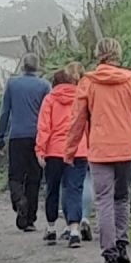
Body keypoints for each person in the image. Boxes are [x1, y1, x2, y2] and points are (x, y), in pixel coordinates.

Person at [65, 38, 131, 263]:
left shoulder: (88, 82)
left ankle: (109, 253)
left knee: (103, 200)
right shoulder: (130, 80)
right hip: (126, 148)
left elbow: (77, 120)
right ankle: (122, 245)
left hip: (100, 151)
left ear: (98, 54)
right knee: (122, 198)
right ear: (118, 54)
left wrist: (70, 151)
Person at [0, 54, 50, 231]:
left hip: (17, 136)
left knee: (15, 175)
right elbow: (49, 113)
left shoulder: (12, 84)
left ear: (22, 67)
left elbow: (4, 112)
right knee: (34, 178)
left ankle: (19, 200)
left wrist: (0, 137)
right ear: (38, 67)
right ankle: (30, 220)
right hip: (38, 137)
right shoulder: (44, 85)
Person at [35, 69, 89, 246]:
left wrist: (40, 150)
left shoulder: (50, 100)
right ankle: (74, 230)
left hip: (54, 151)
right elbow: (86, 124)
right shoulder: (80, 98)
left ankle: (51, 228)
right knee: (75, 189)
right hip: (78, 150)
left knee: (52, 189)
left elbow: (44, 127)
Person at [64, 60, 93, 242]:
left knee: (71, 187)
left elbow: (75, 124)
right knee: (88, 181)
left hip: (73, 145)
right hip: (91, 144)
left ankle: (73, 223)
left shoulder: (62, 96)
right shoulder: (90, 90)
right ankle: (85, 217)